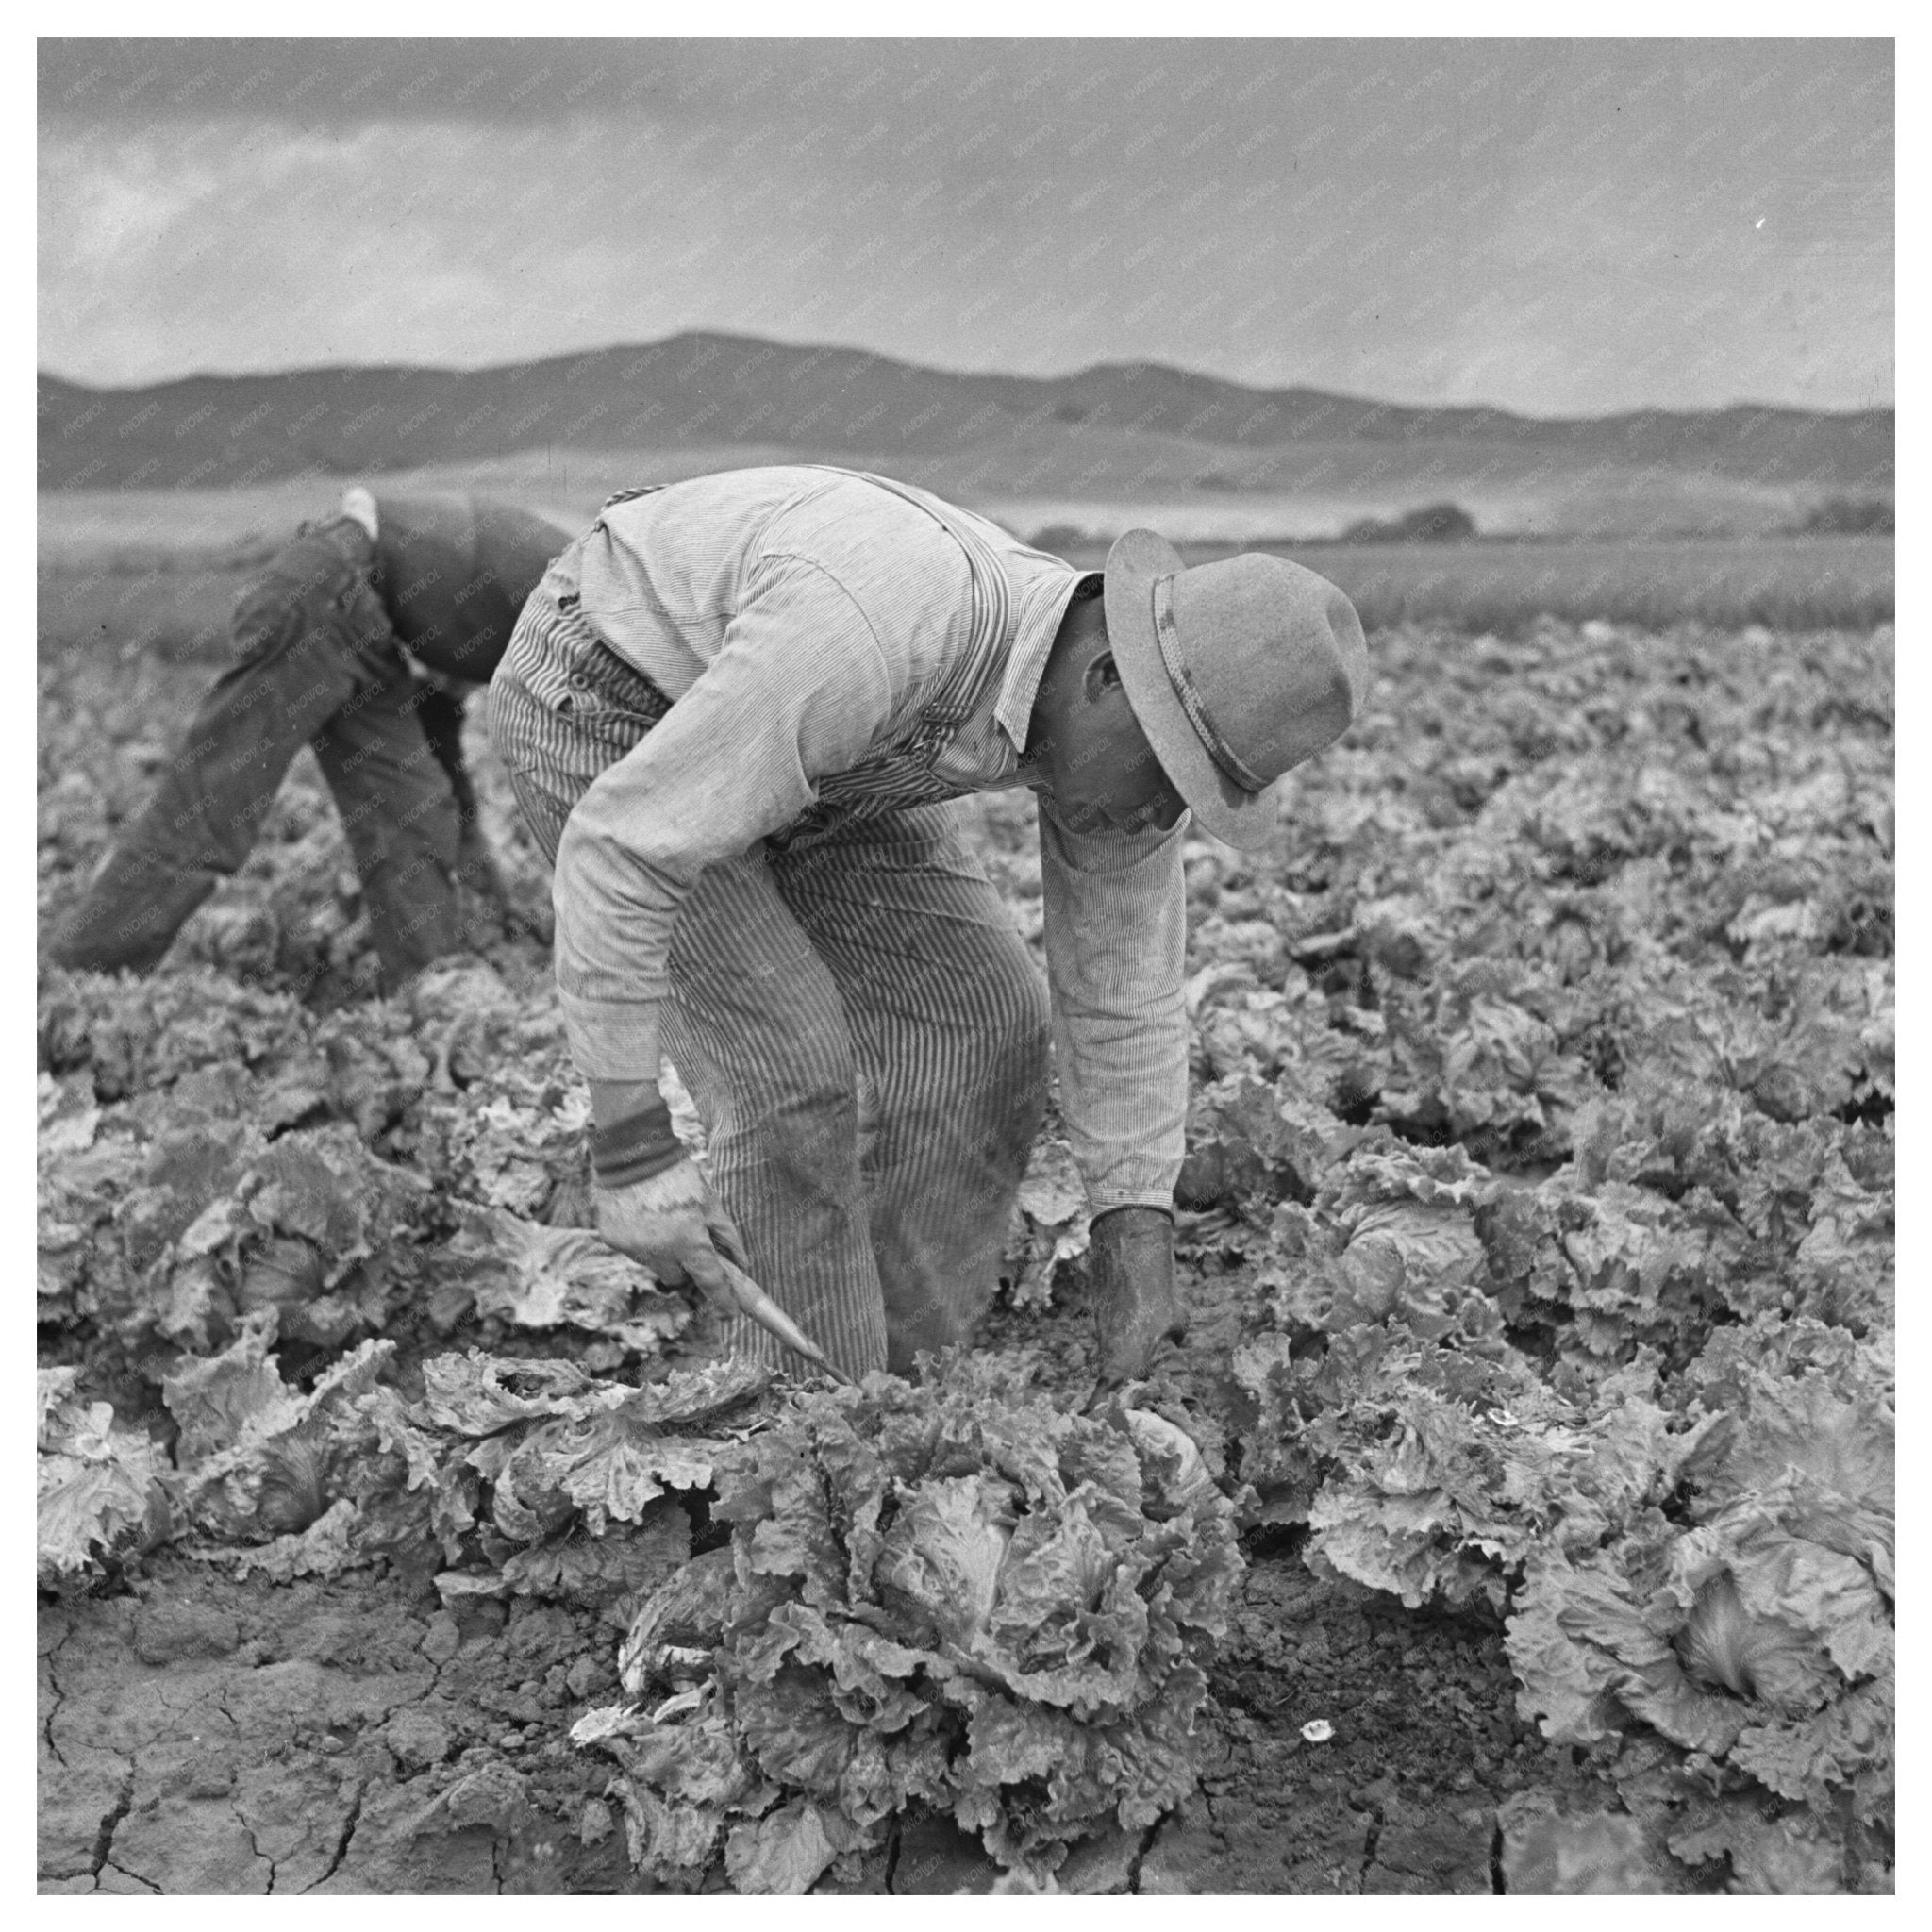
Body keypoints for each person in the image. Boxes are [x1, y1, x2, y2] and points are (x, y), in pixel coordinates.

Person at [490, 466, 1367, 1392]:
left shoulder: (1123, 755)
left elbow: (1124, 994)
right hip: (618, 693)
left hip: (833, 739)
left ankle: (900, 1387)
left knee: (982, 1022)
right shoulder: (878, 628)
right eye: (1166, 777)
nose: (1160, 813)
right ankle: (797, 1441)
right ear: (1111, 678)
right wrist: (629, 1149)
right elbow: (624, 850)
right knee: (788, 1074)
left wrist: (1133, 1232)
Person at [47, 489, 570, 988]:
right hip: (325, 591)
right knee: (211, 809)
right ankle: (73, 982)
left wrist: (484, 873)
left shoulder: (520, 611)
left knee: (412, 813)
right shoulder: (582, 602)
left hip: (366, 618)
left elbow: (439, 727)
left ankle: (428, 993)